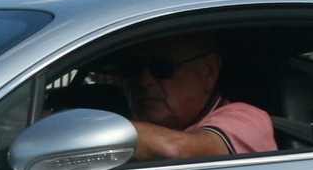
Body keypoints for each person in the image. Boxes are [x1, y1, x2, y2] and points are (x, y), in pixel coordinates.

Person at [107, 32, 276, 160]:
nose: (144, 81)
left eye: (162, 67)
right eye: (133, 68)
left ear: (208, 70)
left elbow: (175, 149)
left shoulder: (246, 119)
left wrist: (97, 128)